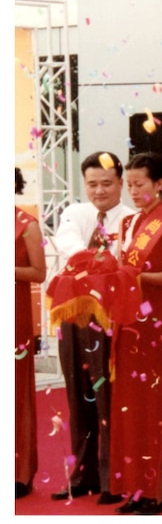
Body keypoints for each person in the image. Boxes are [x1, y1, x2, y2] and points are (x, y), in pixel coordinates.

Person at [49, 152, 134, 505]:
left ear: (121, 183)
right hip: (73, 313)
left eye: (107, 184)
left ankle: (112, 476)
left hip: (111, 315)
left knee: (108, 398)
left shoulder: (131, 219)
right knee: (76, 393)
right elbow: (69, 248)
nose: (99, 191)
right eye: (92, 184)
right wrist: (91, 260)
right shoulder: (75, 212)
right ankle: (81, 474)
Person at [111, 152, 162, 515]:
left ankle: (159, 489)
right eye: (129, 184)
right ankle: (136, 486)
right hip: (129, 323)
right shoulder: (128, 224)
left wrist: (130, 276)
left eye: (140, 183)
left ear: (160, 184)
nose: (134, 190)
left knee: (157, 406)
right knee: (132, 406)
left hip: (157, 321)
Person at [15, 168, 47, 499]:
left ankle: (19, 472)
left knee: (15, 391)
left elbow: (39, 272)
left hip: (13, 314)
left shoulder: (27, 224)